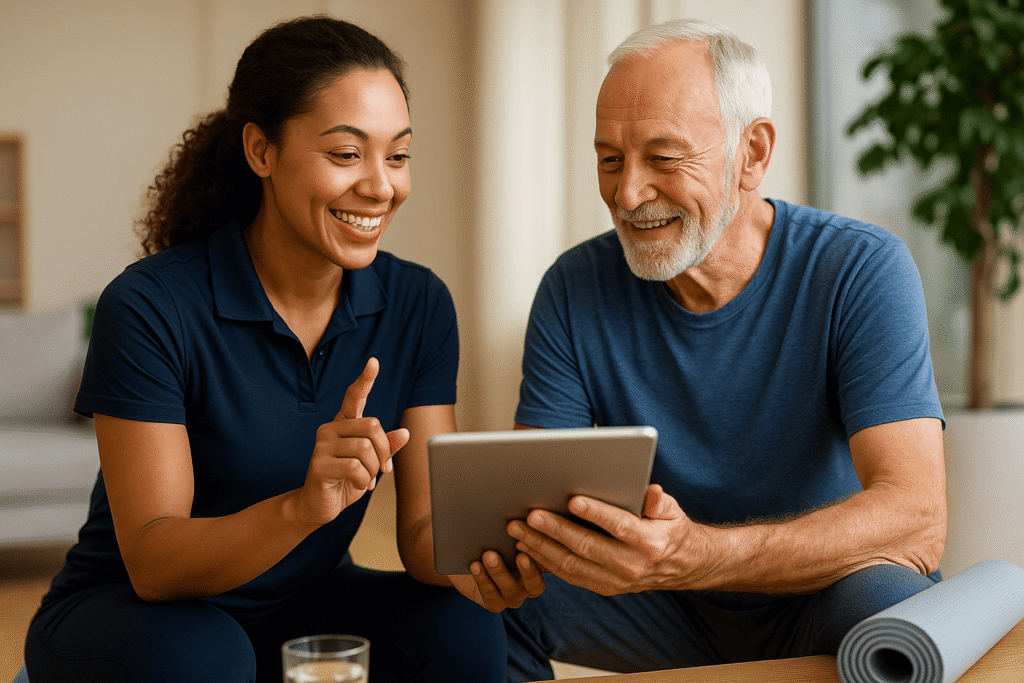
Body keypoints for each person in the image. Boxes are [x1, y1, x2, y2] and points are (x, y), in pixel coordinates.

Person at [23, 15, 510, 683]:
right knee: (211, 656)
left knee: (466, 626)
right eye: (346, 154)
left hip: (303, 600)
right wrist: (302, 507)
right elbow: (155, 559)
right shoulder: (148, 305)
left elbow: (425, 535)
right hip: (132, 608)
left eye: (397, 155)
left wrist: (496, 554)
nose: (380, 185)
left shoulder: (419, 305)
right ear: (261, 151)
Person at [500, 18, 947, 682]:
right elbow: (539, 510)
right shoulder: (573, 286)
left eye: (664, 157)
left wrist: (699, 553)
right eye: (610, 158)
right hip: (658, 603)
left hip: (822, 593)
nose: (627, 194)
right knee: (480, 605)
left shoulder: (860, 267)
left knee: (895, 613)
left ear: (752, 153)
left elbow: (916, 518)